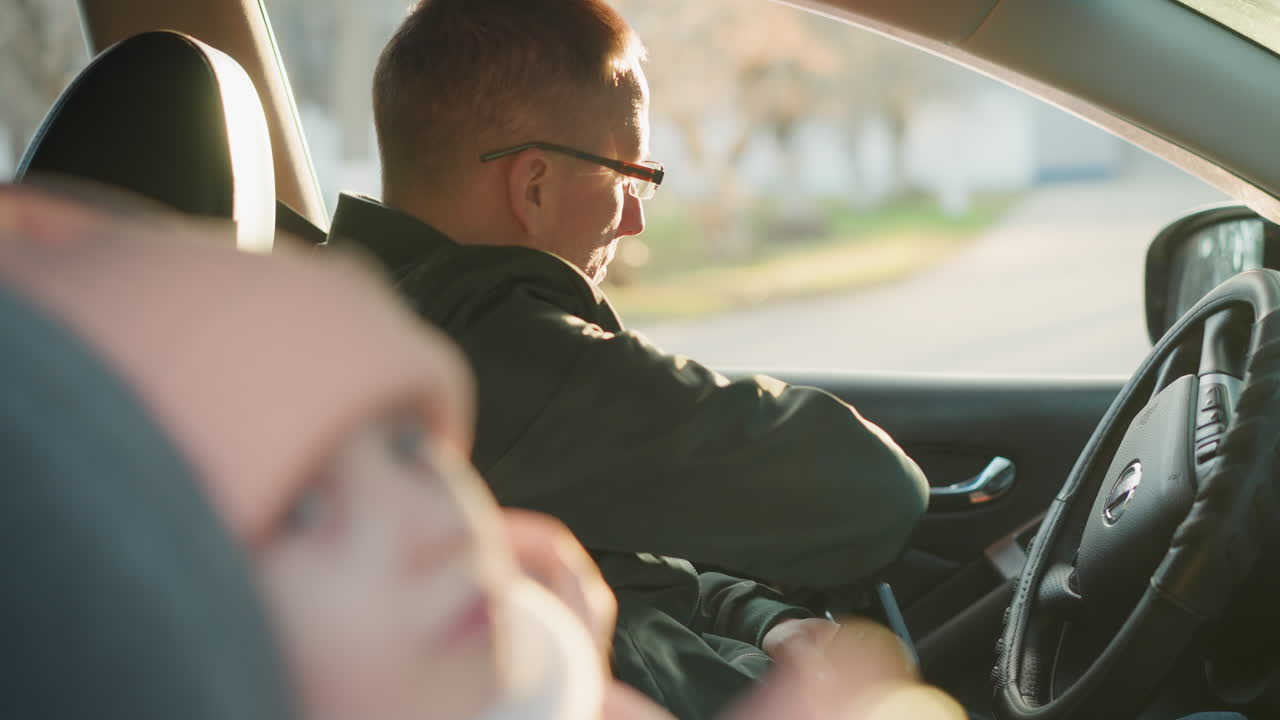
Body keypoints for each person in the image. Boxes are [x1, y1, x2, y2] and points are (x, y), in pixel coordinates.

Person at [0, 181, 967, 720]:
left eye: (413, 448)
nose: (433, 521)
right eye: (305, 509)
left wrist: (754, 632)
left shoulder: (517, 645)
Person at [325, 0, 929, 715]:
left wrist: (763, 620)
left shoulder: (367, 323)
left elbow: (618, 564)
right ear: (534, 185)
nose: (636, 217)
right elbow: (876, 490)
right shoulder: (507, 359)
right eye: (628, 175)